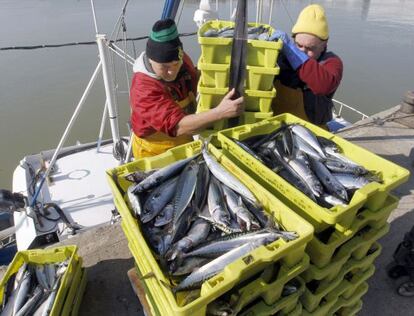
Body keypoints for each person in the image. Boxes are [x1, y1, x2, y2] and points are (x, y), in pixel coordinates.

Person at [130, 19, 244, 158]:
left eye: (176, 64)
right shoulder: (143, 88)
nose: (172, 71)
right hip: (155, 151)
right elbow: (178, 127)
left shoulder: (183, 61)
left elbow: (197, 81)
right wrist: (220, 112)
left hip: (186, 142)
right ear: (151, 60)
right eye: (164, 67)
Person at [270, 4, 343, 128]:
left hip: (311, 132)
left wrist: (296, 55)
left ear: (324, 44)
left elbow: (323, 85)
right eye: (298, 45)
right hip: (276, 126)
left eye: (310, 48)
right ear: (293, 40)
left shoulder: (332, 63)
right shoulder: (282, 56)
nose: (303, 51)